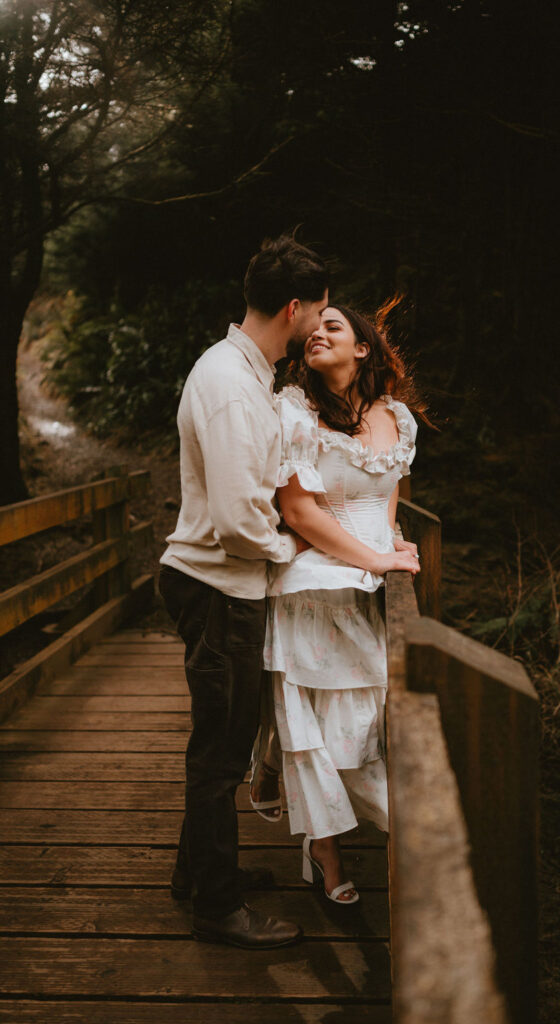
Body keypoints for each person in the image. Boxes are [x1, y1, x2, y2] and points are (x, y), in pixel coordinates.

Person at [158, 235, 328, 948]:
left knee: (220, 746)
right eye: (315, 317)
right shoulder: (230, 385)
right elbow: (234, 519)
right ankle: (217, 908)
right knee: (220, 755)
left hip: (222, 586)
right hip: (219, 585)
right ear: (292, 308)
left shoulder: (242, 372)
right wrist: (287, 546)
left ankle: (199, 874)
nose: (317, 329)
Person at [251, 302, 423, 904]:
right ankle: (328, 855)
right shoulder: (295, 412)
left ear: (363, 348)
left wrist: (392, 541)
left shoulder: (394, 417)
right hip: (314, 585)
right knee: (313, 730)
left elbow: (387, 499)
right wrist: (373, 558)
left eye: (334, 326)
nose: (317, 334)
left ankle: (405, 842)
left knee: (366, 721)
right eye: (313, 327)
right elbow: (297, 512)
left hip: (371, 586)